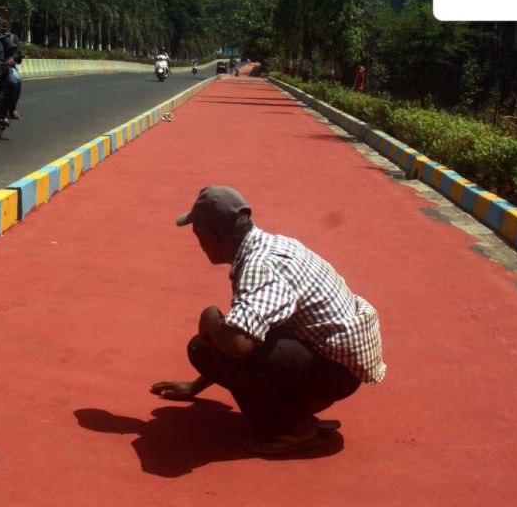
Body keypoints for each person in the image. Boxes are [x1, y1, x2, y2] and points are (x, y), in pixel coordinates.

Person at [151, 186, 386, 456]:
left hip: (334, 372)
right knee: (205, 347)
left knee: (222, 339)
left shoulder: (258, 266)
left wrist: (208, 314)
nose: (199, 243)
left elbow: (237, 345)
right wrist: (195, 386)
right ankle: (296, 410)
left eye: (198, 235)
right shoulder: (272, 244)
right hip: (339, 362)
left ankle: (293, 428)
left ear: (211, 236)